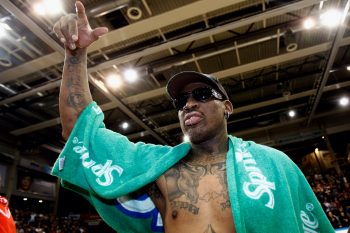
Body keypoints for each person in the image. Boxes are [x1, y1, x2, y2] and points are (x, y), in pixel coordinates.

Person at [51, 2, 334, 232]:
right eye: (181, 100)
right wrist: (75, 54)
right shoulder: (157, 167)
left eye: (200, 95)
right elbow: (80, 131)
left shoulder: (273, 165)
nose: (188, 104)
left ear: (227, 107)